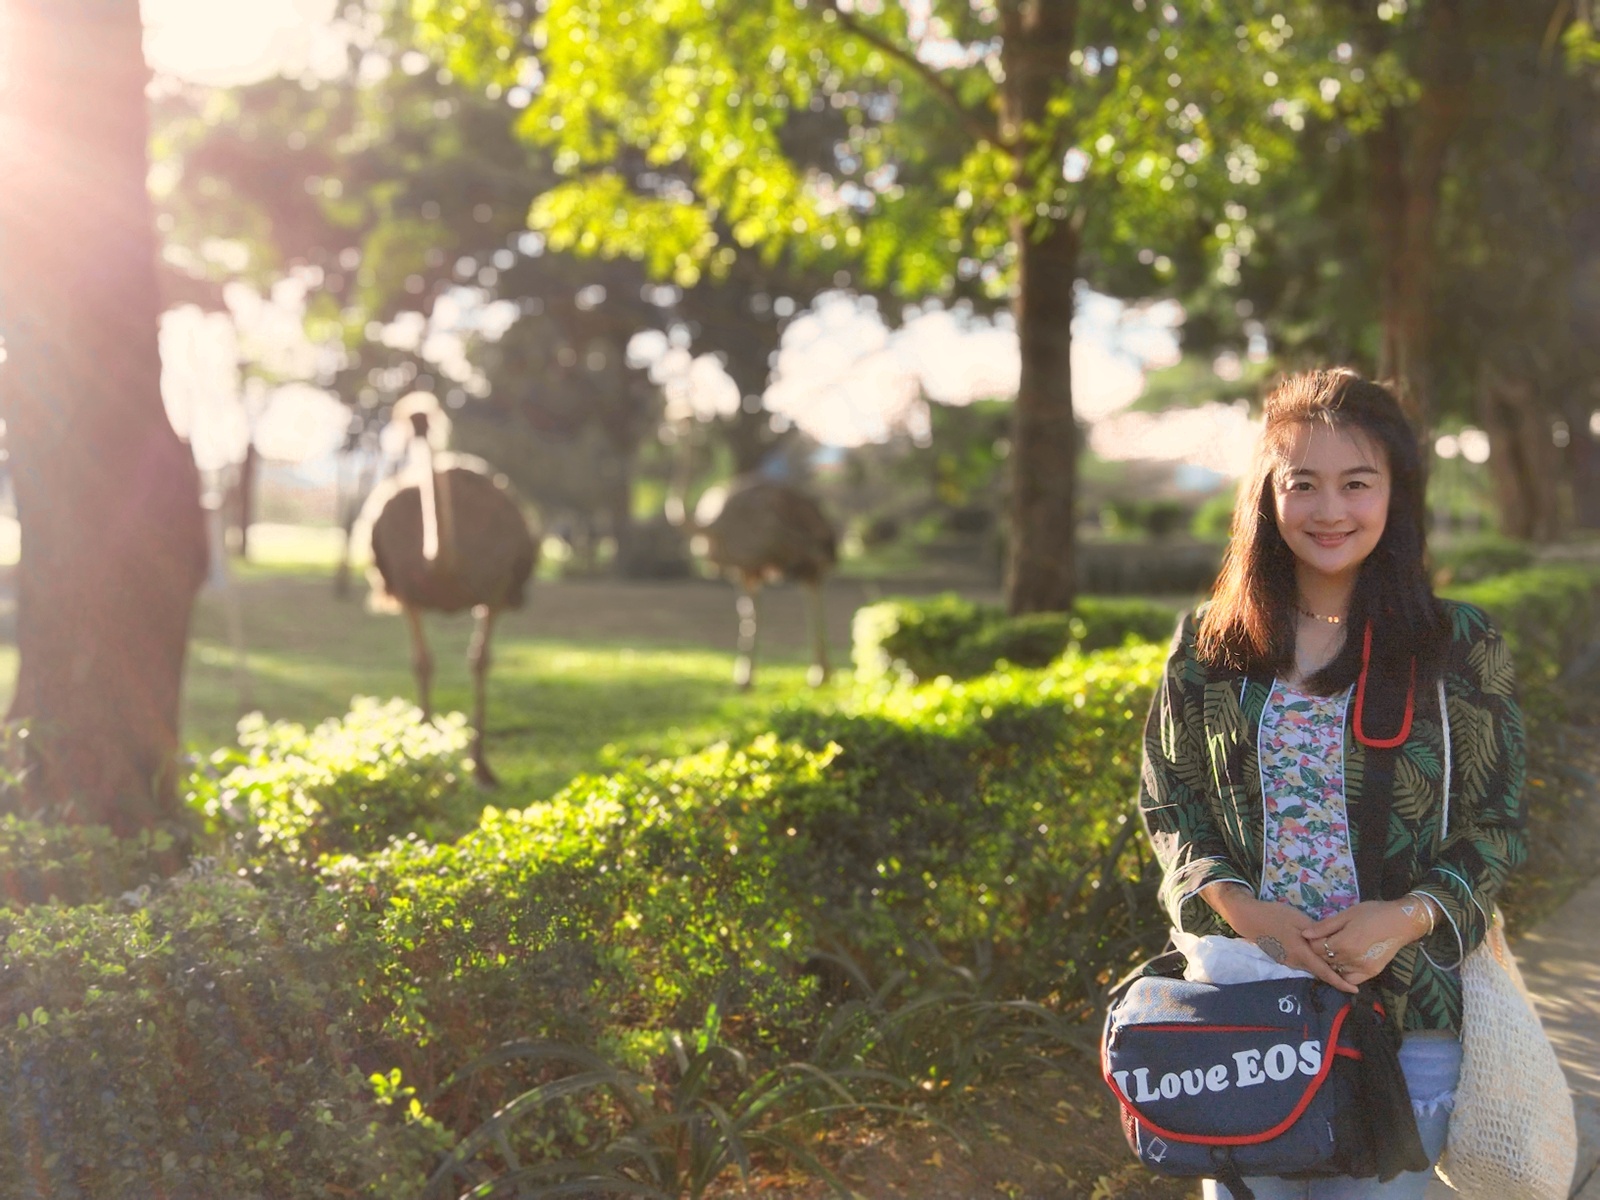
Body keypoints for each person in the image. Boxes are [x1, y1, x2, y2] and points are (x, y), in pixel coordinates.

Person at [1137, 369, 1527, 1200]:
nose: (1329, 511)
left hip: (1407, 1022)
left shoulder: (1457, 644)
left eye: (1357, 483)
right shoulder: (1209, 647)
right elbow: (1171, 804)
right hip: (1245, 1018)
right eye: (1301, 484)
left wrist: (1407, 916)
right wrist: (1249, 914)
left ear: (1395, 494)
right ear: (1267, 496)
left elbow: (1497, 823)